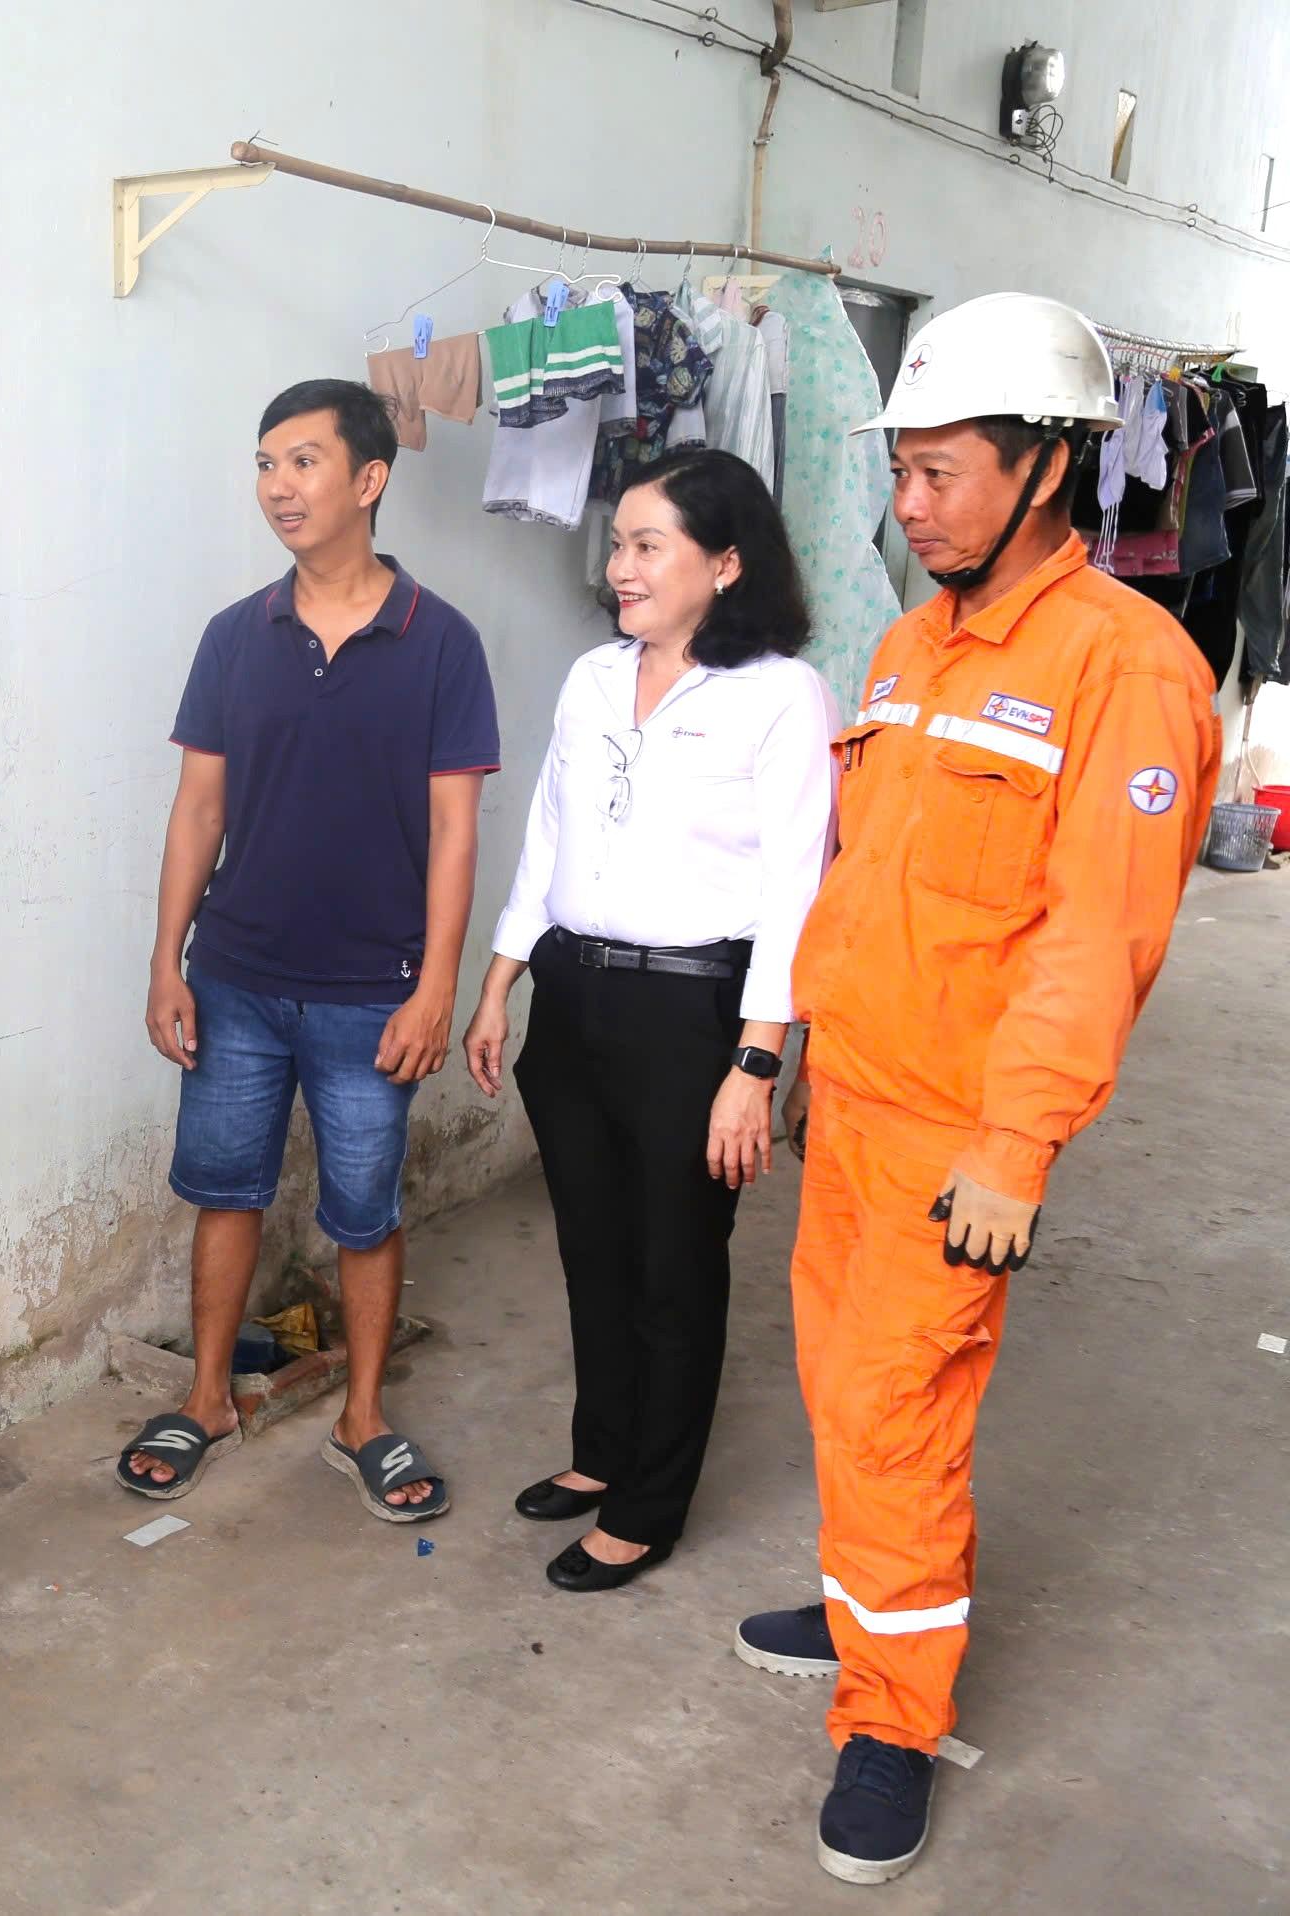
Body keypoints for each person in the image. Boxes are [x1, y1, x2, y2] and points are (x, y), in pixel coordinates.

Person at [730, 294, 1220, 1886]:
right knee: (840, 1391)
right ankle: (866, 1598)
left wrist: (1018, 1145)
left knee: (899, 1414)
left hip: (961, 1139)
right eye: (905, 472)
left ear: (1049, 469)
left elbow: (1098, 937)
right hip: (856, 1106)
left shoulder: (1125, 670)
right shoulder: (908, 645)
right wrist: (793, 1055)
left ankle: (893, 1717)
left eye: (942, 474)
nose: (912, 506)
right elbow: (866, 879)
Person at [463, 448, 836, 1592]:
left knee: (673, 1263)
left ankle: (647, 1504)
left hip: (694, 1010)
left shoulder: (781, 695)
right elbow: (549, 831)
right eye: (617, 543)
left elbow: (797, 892)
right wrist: (501, 978)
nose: (618, 566)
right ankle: (601, 1450)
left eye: (644, 545)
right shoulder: (591, 677)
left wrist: (755, 1062)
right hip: (575, 992)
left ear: (724, 562)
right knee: (592, 1245)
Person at [127, 377, 497, 1522]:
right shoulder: (235, 636)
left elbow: (454, 830)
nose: (277, 486)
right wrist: (166, 957)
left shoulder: (440, 641)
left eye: (302, 461)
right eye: (264, 462)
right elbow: (198, 808)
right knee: (224, 1191)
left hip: (373, 990)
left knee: (364, 1211)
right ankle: (205, 1397)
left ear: (368, 479)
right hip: (235, 978)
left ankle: (363, 1416)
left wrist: (436, 987)